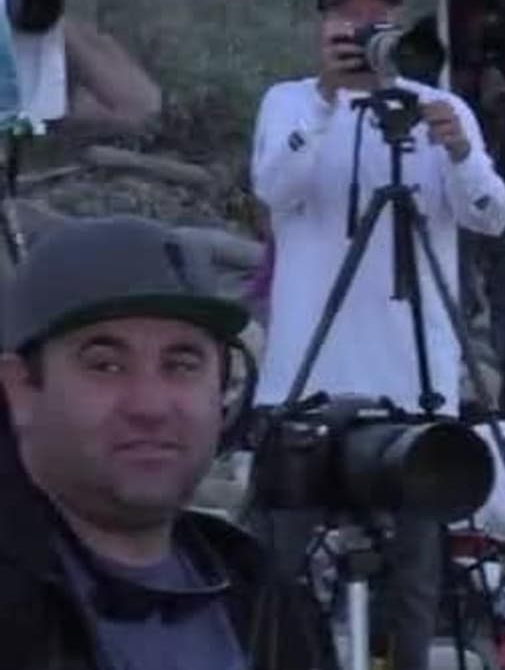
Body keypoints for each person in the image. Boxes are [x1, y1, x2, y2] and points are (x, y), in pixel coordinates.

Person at [248, 0, 505, 670]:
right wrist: (328, 102)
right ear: (322, 26)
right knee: (277, 573)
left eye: (377, 15)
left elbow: (490, 215)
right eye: (348, 15)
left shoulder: (438, 108)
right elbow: (275, 188)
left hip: (410, 386)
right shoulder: (289, 103)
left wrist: (461, 151)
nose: (364, 28)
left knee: (414, 588)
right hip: (306, 383)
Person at [0, 215, 329, 669]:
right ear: (20, 389)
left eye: (182, 364)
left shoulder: (268, 604)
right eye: (105, 365)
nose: (150, 406)